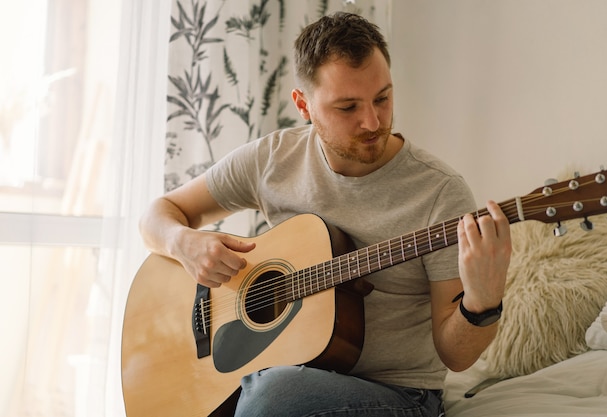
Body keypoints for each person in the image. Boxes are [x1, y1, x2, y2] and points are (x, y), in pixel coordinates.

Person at [139, 11, 511, 417]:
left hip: (400, 395)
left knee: (270, 398)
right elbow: (157, 215)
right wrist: (182, 242)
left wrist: (481, 302)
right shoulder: (273, 159)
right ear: (304, 105)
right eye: (348, 106)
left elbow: (456, 358)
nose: (372, 121)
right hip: (280, 373)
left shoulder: (440, 193)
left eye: (383, 98)